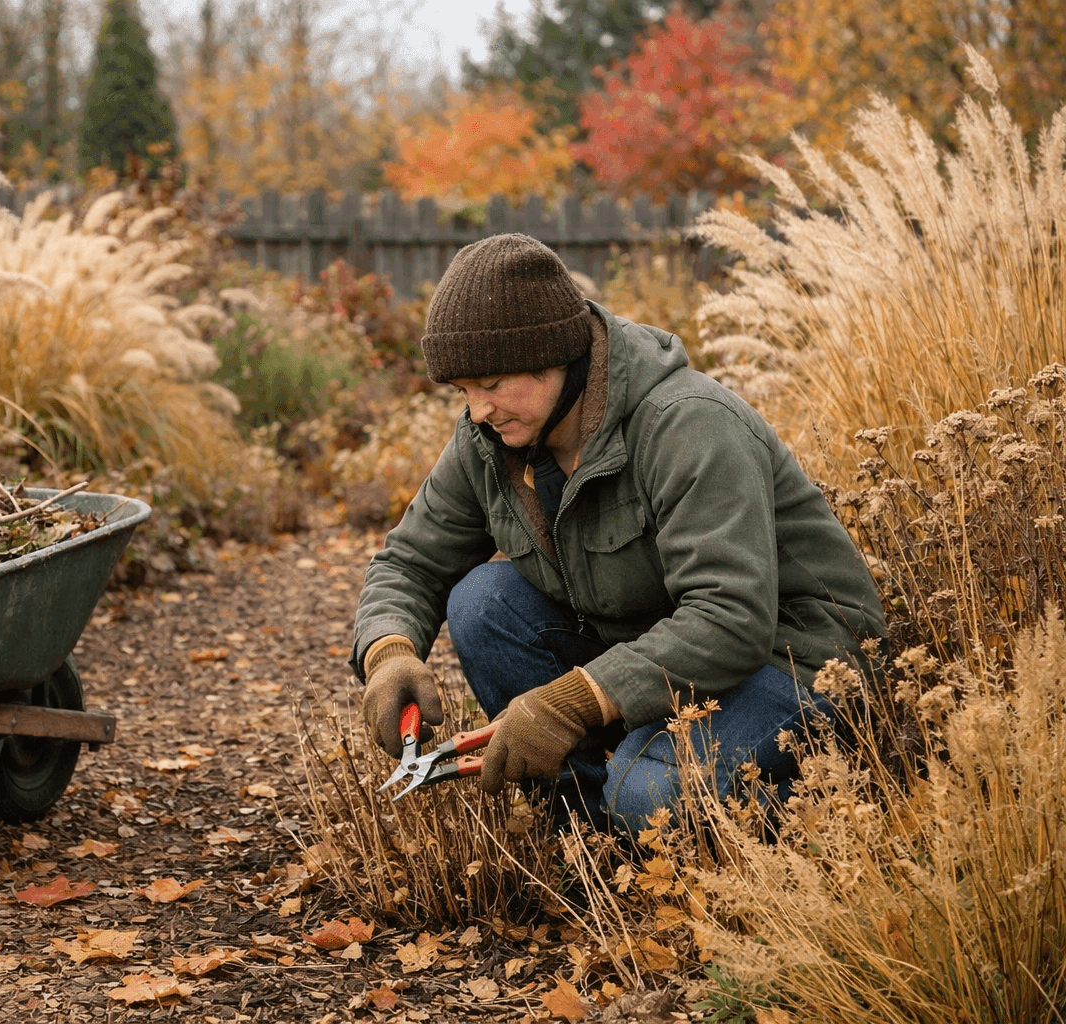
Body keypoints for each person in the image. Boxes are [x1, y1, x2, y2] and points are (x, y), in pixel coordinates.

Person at [350, 233, 884, 832]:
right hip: (657, 658)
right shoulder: (492, 438)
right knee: (482, 601)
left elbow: (730, 618)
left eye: (493, 385)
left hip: (793, 664)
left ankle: (839, 813)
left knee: (645, 794)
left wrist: (571, 701)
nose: (477, 411)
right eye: (463, 391)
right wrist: (389, 652)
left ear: (555, 356)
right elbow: (411, 562)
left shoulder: (689, 426)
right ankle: (587, 837)